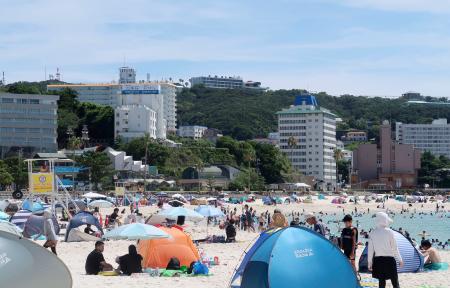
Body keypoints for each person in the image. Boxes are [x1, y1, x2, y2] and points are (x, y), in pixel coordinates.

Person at [368, 212, 403, 288]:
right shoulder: (389, 232)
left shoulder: (372, 233)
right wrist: (400, 259)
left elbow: (370, 250)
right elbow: (394, 248)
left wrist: (369, 263)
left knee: (381, 283)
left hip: (378, 260)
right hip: (389, 260)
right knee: (395, 282)